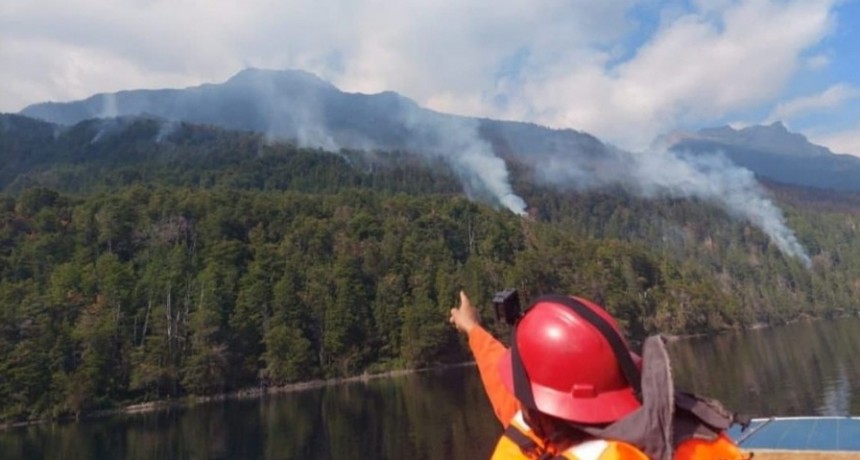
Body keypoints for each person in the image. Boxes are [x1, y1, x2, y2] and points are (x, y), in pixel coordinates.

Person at [449, 291, 750, 460]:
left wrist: (472, 328)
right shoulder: (696, 443)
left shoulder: (537, 432)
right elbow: (513, 390)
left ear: (540, 406)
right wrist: (474, 330)